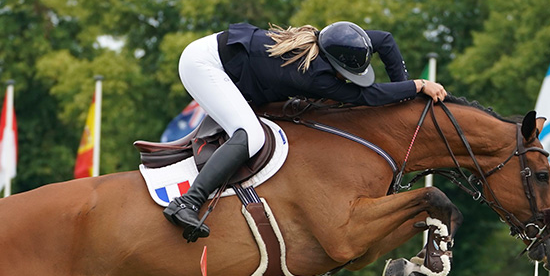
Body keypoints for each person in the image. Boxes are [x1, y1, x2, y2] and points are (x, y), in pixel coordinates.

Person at [164, 21, 448, 241]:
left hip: (224, 54)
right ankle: (188, 202)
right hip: (204, 66)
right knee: (251, 136)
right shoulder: (312, 75)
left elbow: (384, 40)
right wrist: (417, 86)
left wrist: (404, 94)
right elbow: (367, 97)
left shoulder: (341, 39)